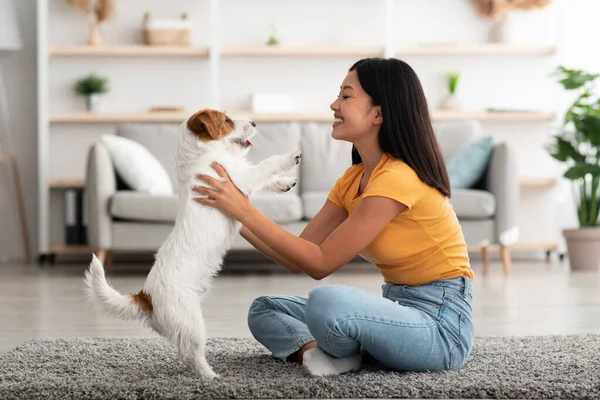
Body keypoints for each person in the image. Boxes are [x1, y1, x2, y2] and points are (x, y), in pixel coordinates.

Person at [193, 57, 475, 377]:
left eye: (346, 95)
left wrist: (241, 208)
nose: (334, 104)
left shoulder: (398, 178)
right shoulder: (353, 178)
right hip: (398, 310)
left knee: (327, 302)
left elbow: (320, 263)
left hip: (440, 329)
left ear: (378, 113)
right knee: (266, 308)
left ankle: (345, 350)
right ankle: (326, 353)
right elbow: (297, 256)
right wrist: (233, 215)